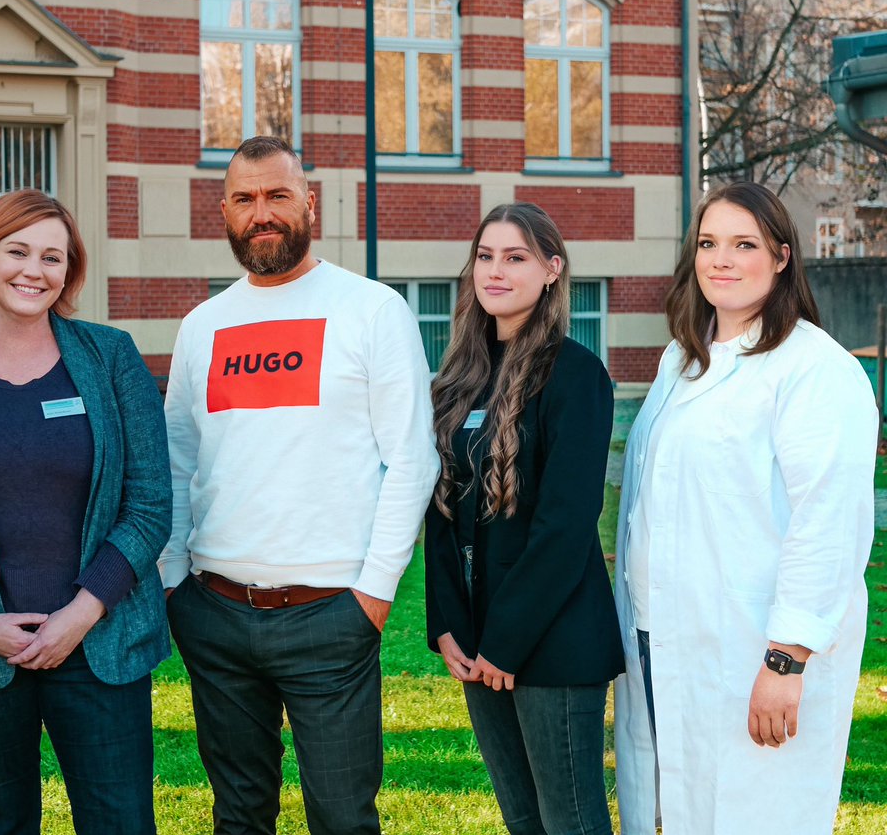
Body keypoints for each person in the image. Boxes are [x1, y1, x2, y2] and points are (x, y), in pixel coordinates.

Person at [158, 134, 440, 835]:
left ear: (309, 202)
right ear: (223, 210)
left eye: (278, 195)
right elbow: (174, 460)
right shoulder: (203, 326)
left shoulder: (370, 310)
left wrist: (372, 594)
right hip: (216, 612)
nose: (263, 213)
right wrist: (171, 583)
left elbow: (411, 457)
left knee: (343, 819)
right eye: (246, 199)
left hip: (331, 616)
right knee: (239, 815)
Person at [613, 181, 878, 834]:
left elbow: (828, 524)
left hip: (756, 648)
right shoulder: (684, 357)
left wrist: (786, 658)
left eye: (743, 244)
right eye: (708, 243)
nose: (720, 260)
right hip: (663, 635)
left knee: (753, 811)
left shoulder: (814, 369)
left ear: (783, 257)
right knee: (673, 809)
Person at [0, 188, 171, 835]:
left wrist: (80, 614)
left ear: (69, 270)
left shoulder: (111, 356)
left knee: (122, 823)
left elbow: (150, 503)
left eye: (53, 257)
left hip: (99, 643)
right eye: (18, 250)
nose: (35, 269)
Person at [424, 203, 622, 835]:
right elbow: (440, 514)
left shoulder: (576, 375)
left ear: (551, 270)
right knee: (522, 820)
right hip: (479, 643)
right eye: (485, 257)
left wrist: (505, 643)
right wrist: (449, 626)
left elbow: (566, 525)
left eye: (515, 258)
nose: (495, 272)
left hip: (553, 642)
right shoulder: (459, 379)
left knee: (571, 821)